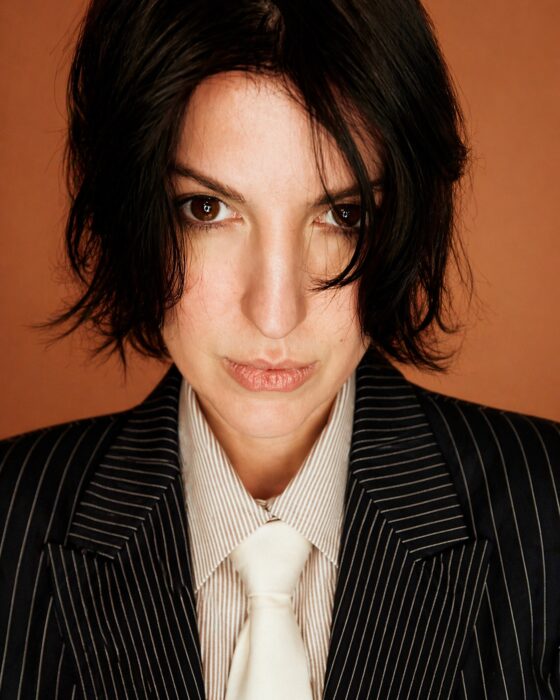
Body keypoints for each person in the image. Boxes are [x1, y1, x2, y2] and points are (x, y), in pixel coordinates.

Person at [0, 0, 558, 698]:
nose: (274, 314)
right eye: (207, 210)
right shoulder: (11, 520)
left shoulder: (548, 509)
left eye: (341, 215)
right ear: (132, 210)